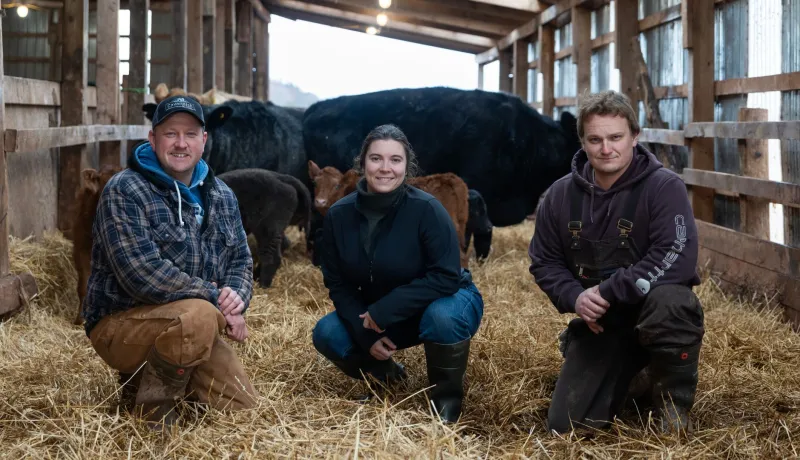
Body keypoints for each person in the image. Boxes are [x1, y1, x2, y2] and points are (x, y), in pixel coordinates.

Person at [529, 90, 705, 435]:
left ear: (635, 137)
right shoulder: (559, 196)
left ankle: (673, 403)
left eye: (615, 137)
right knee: (566, 426)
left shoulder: (663, 187)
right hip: (601, 322)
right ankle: (635, 378)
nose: (606, 148)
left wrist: (609, 291)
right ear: (582, 141)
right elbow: (544, 261)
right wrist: (575, 298)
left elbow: (676, 255)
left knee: (673, 302)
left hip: (651, 311)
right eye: (595, 139)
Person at [82, 95, 259, 430]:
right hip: (121, 324)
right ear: (152, 138)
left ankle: (159, 380)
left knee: (242, 409)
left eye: (190, 134)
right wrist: (215, 298)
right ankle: (151, 411)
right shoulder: (125, 190)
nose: (181, 144)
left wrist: (236, 296)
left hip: (194, 324)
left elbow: (240, 258)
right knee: (200, 314)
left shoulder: (221, 194)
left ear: (204, 140)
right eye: (170, 134)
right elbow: (142, 274)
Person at [311, 124, 484, 424]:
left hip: (446, 299)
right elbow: (337, 283)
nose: (385, 168)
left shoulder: (427, 209)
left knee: (442, 318)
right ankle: (389, 378)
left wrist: (384, 310)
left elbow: (445, 276)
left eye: (395, 160)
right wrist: (365, 334)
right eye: (376, 159)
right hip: (382, 313)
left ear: (407, 165)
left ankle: (445, 402)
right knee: (327, 333)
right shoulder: (339, 215)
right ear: (362, 163)